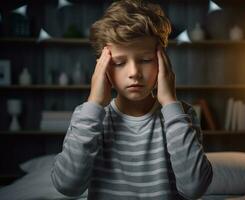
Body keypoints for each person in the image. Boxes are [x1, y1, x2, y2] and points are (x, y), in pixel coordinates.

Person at [51, 0, 212, 199]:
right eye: (119, 62)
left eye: (145, 60)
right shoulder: (88, 118)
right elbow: (67, 186)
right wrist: (94, 103)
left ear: (163, 62)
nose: (134, 73)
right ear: (103, 67)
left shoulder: (181, 116)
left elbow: (194, 188)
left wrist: (170, 102)